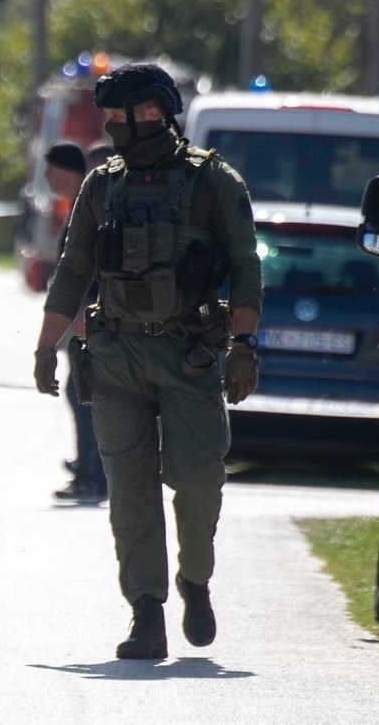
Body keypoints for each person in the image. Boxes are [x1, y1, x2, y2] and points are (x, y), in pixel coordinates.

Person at [31, 64, 262, 660]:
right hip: (115, 356)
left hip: (189, 355)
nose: (110, 128)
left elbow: (245, 268)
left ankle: (195, 581)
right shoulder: (102, 185)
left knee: (197, 480)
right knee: (129, 492)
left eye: (118, 117)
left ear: (153, 113)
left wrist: (243, 345)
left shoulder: (213, 182)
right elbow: (73, 270)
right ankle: (146, 612)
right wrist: (44, 344)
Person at [44, 141, 107, 504]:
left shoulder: (94, 210)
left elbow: (92, 271)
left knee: (84, 394)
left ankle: (92, 475)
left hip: (91, 318)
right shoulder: (82, 207)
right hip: (82, 316)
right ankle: (88, 467)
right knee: (82, 393)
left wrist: (85, 313)